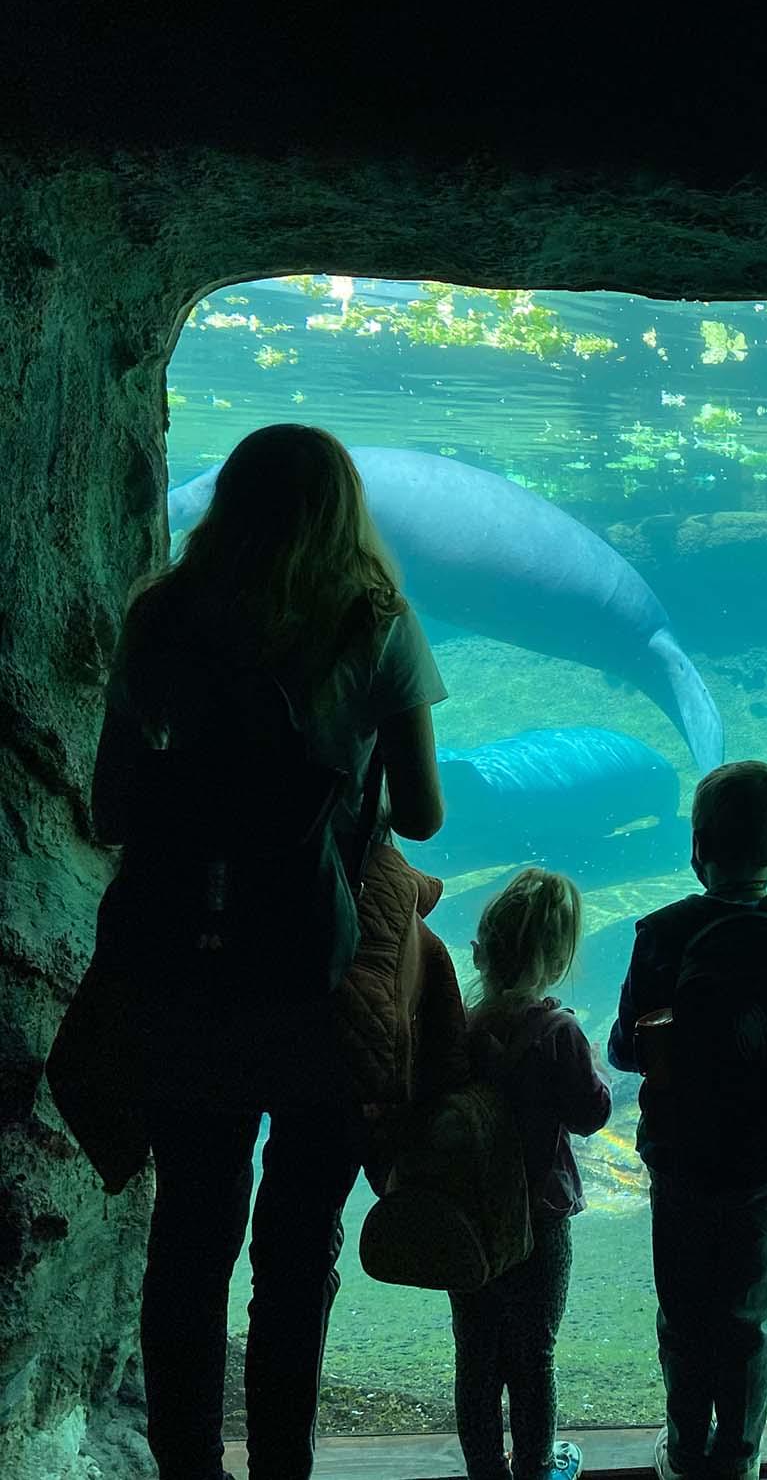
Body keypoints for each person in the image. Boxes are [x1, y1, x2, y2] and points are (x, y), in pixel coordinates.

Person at [91, 424, 447, 1480]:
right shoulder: (375, 620)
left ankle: (186, 1469)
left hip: (187, 971)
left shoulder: (162, 617)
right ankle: (282, 1467)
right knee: (300, 1244)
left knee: (190, 1236)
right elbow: (422, 815)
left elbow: (112, 808)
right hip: (319, 975)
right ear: (346, 511)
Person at [605, 760, 767, 1480]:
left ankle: (683, 1449)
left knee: (684, 1314)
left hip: (681, 1156)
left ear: (697, 846)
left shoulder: (663, 933)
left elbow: (626, 1047)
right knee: (746, 1317)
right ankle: (737, 1455)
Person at [450, 867, 610, 1480]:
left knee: (477, 1353)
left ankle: (485, 1469)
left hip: (470, 1219)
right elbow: (590, 1115)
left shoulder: (463, 1027)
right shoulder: (558, 1031)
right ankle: (538, 1466)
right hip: (538, 1218)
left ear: (482, 952)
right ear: (558, 957)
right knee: (533, 1350)